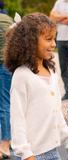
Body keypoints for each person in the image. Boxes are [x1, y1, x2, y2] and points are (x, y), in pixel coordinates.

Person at [4, 13, 68, 160]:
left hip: (52, 151)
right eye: (48, 39)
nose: (54, 44)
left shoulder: (51, 72)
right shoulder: (22, 75)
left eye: (54, 39)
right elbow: (17, 118)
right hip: (31, 154)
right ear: (29, 42)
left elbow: (56, 111)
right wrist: (25, 153)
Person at [0, 1, 13, 159]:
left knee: (3, 105)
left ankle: (4, 144)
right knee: (6, 103)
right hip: (9, 65)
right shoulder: (9, 20)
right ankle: (7, 142)